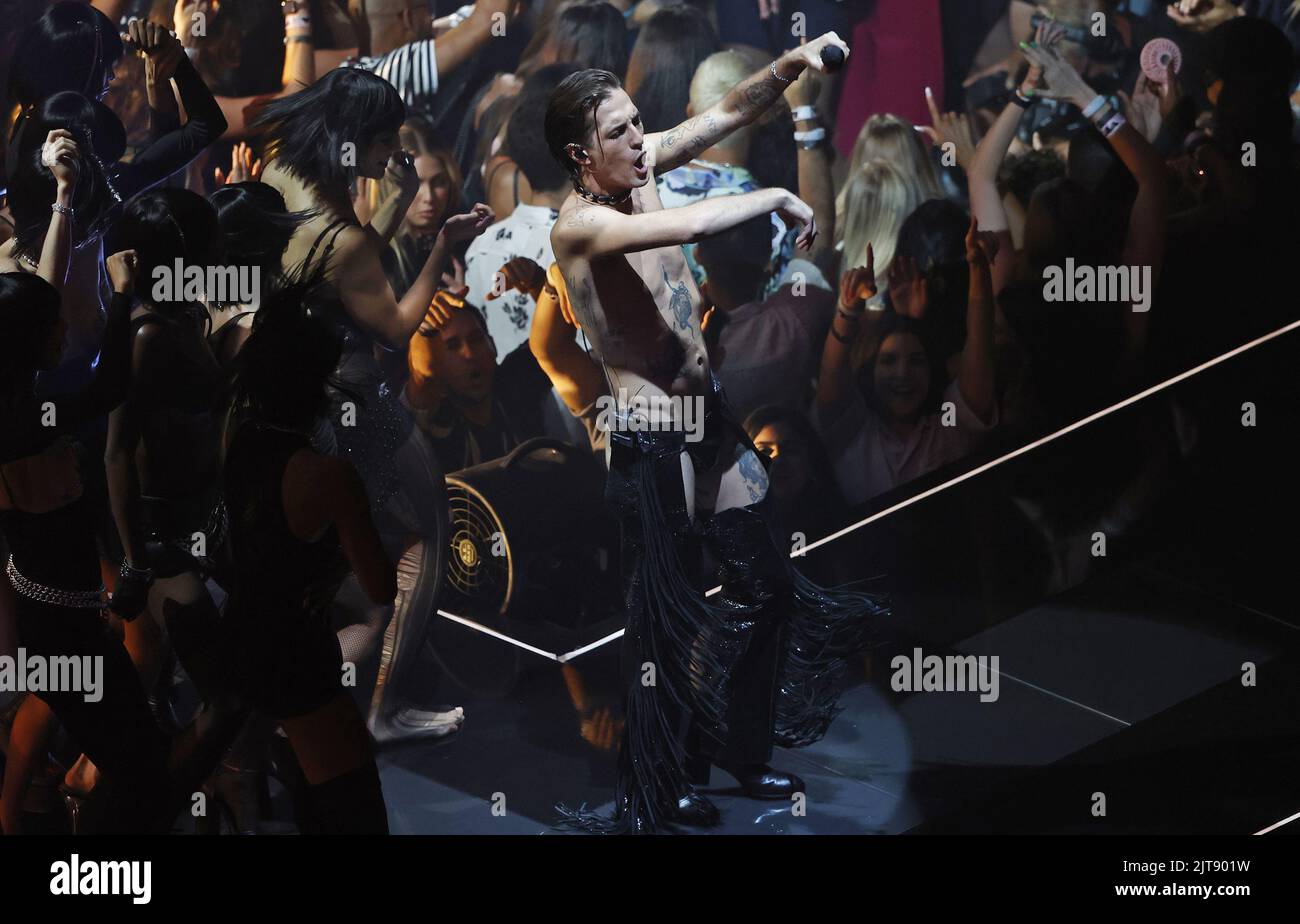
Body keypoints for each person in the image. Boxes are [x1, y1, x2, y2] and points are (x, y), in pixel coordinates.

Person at [545, 33, 887, 834]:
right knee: (662, 627)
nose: (642, 142)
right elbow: (686, 231)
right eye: (621, 134)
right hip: (653, 440)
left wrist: (794, 63)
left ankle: (732, 747)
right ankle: (660, 785)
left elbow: (730, 109)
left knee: (764, 582)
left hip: (710, 423)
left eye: (638, 126)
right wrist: (774, 197)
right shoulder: (579, 227)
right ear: (578, 154)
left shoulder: (640, 165)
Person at [254, 67, 493, 742]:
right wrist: (444, 244)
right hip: (353, 396)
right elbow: (392, 323)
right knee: (428, 535)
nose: (398, 157)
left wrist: (399, 201)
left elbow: (348, 267)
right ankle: (375, 708)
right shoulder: (343, 236)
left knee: (336, 549)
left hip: (293, 398)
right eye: (388, 143)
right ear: (355, 138)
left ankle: (290, 703)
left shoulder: (285, 176)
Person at [223, 293, 394, 833]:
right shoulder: (328, 476)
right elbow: (382, 585)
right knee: (353, 806)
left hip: (243, 632)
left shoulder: (241, 440)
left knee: (305, 793)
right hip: (296, 652)